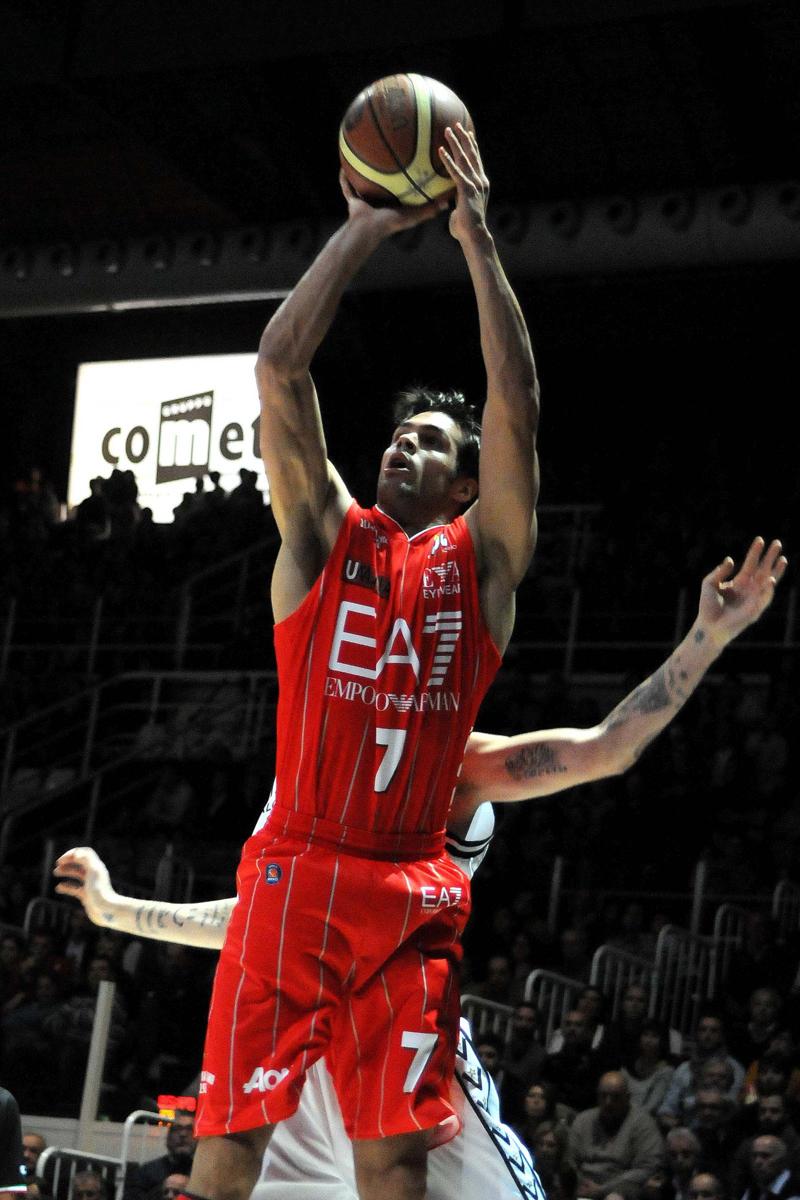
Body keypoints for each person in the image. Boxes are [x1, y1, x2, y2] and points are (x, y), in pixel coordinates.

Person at [56, 537, 786, 1199]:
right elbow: (255, 923)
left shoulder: (451, 763)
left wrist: (709, 635)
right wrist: (118, 910)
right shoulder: (306, 766)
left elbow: (605, 747)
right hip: (305, 1074)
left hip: (400, 1037)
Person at [190, 119, 541, 1200]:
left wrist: (476, 241)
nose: (405, 442)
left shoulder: (479, 566)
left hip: (407, 881)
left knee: (391, 1161)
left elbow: (517, 406)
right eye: (399, 433)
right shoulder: (320, 536)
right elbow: (278, 366)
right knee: (226, 1151)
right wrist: (357, 231)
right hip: (296, 863)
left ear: (464, 483)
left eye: (434, 441)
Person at [567, 1070, 664, 1200]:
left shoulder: (643, 1124)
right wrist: (580, 1184)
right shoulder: (583, 1120)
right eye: (603, 1096)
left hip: (622, 1188)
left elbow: (647, 1167)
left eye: (615, 1097)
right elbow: (569, 1160)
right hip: (583, 1185)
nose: (608, 1102)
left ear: (628, 1097)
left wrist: (603, 1189)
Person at [123, 1113, 196, 1200]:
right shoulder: (145, 1172)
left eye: (190, 1129)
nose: (183, 1134)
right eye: (177, 1129)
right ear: (168, 1137)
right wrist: (161, 1191)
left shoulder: (204, 1175)